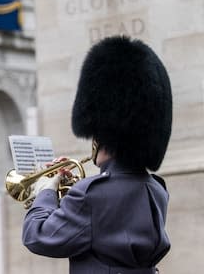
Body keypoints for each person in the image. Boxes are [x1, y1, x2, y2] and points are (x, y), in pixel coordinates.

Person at [22, 36, 172, 273]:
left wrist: (45, 191)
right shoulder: (156, 189)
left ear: (105, 134)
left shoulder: (91, 195)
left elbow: (37, 236)